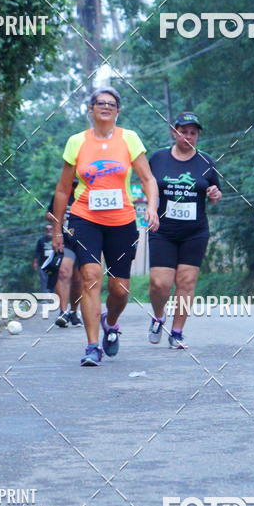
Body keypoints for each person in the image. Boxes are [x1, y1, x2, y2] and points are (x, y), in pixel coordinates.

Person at [51, 87, 159, 366]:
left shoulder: (129, 138)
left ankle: (110, 322)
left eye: (112, 104)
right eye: (100, 103)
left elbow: (148, 179)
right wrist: (57, 228)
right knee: (90, 276)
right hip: (84, 217)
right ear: (91, 110)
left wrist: (151, 207)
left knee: (120, 289)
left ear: (118, 111)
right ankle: (92, 346)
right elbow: (63, 189)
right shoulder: (76, 141)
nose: (106, 107)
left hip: (122, 221)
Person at [148, 111, 221, 348]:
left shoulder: (206, 161)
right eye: (183, 132)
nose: (188, 136)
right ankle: (159, 316)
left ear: (197, 136)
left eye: (192, 133)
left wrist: (214, 194)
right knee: (160, 283)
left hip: (194, 231)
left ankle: (177, 332)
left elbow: (215, 194)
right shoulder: (158, 158)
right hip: (163, 230)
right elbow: (148, 186)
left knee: (186, 282)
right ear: (174, 132)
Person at [46, 190, 82, 328]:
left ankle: (73, 311)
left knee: (78, 279)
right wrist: (59, 217)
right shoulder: (60, 194)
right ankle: (63, 312)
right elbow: (48, 213)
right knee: (63, 272)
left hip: (85, 240)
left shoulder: (89, 190)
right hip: (65, 241)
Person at [33, 223, 54, 291]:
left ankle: (54, 295)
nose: (49, 230)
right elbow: (37, 252)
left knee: (53, 280)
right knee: (44, 281)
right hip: (43, 264)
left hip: (53, 264)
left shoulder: (56, 240)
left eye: (50, 229)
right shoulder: (41, 240)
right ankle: (45, 296)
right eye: (47, 229)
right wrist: (35, 262)